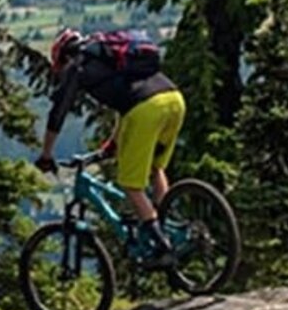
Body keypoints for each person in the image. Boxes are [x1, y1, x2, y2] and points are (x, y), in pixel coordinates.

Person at [35, 27, 185, 257]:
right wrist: (112, 143)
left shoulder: (78, 67)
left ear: (64, 57)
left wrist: (46, 154)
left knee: (130, 184)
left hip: (146, 110)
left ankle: (162, 245)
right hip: (174, 100)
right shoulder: (111, 57)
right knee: (155, 168)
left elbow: (58, 113)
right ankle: (167, 224)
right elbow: (126, 101)